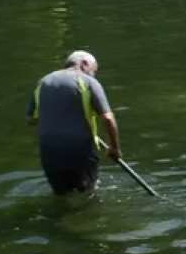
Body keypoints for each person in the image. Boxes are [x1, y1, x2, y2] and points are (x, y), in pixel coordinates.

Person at [27, 50, 121, 195]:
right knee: (88, 194)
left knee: (61, 195)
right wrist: (114, 148)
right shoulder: (88, 81)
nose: (93, 75)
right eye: (94, 70)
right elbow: (108, 118)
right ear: (84, 63)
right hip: (80, 151)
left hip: (49, 152)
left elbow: (31, 120)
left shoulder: (43, 82)